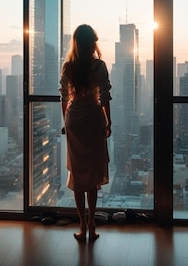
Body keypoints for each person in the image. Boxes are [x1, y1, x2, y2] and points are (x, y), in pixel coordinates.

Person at [59, 24, 112, 242]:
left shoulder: (68, 67)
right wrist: (109, 123)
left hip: (75, 120)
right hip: (92, 119)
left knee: (78, 174)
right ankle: (91, 223)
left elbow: (64, 97)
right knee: (92, 175)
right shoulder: (98, 66)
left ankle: (82, 224)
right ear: (92, 43)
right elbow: (105, 98)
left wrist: (66, 122)